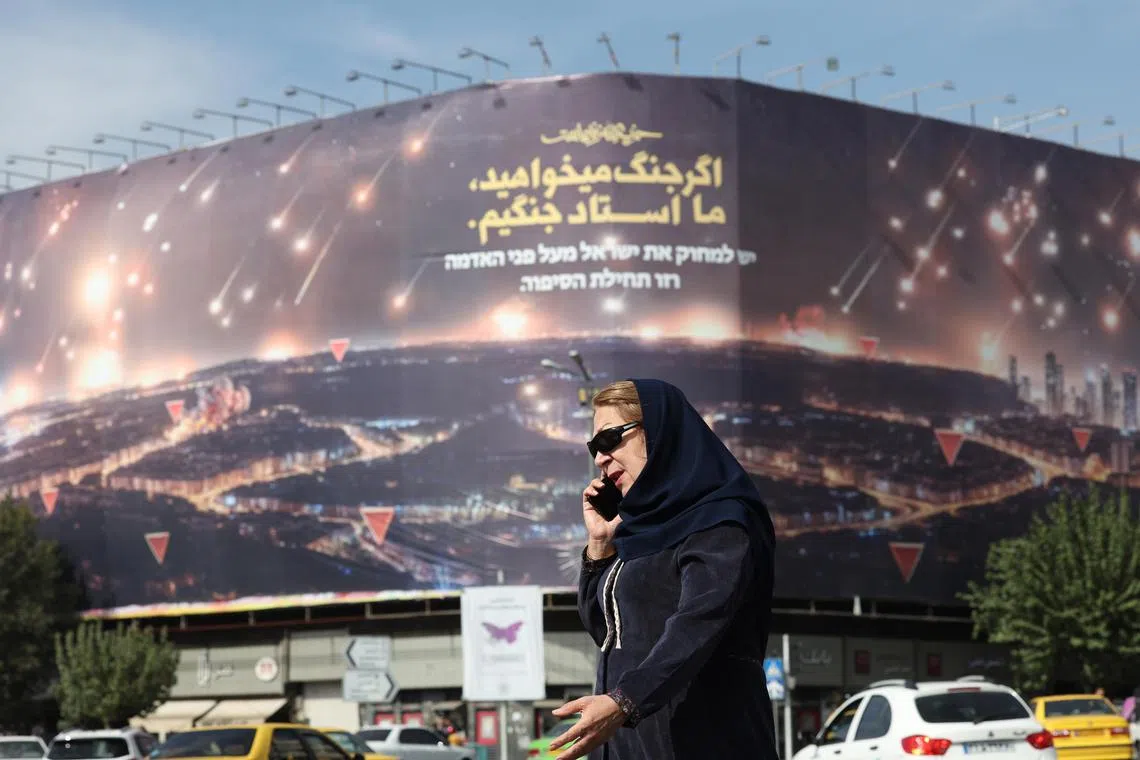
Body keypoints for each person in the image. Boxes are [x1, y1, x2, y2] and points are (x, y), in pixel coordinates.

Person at [549, 378, 778, 760]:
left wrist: (625, 701)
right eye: (594, 448)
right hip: (634, 742)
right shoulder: (638, 529)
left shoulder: (720, 522)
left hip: (705, 740)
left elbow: (698, 622)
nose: (599, 458)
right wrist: (600, 547)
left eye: (608, 440)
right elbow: (606, 632)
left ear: (657, 433)